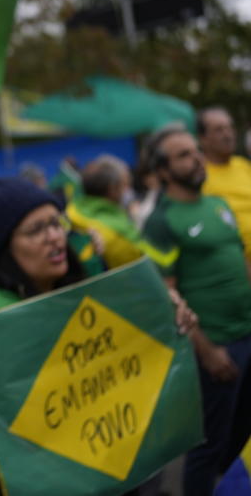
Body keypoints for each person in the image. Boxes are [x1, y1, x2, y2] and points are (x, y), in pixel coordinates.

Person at [0, 178, 195, 495]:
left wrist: (167, 319)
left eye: (56, 223)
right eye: (36, 230)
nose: (55, 238)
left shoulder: (85, 290)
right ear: (6, 245)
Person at [141, 125, 251, 496]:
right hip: (216, 347)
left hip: (247, 334)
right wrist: (207, 351)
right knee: (209, 446)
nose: (197, 159)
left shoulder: (218, 205)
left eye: (195, 151)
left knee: (241, 438)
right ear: (163, 171)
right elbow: (165, 296)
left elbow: (239, 261)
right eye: (184, 155)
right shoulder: (160, 222)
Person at [67, 155, 146, 269]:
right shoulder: (118, 234)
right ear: (112, 189)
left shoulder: (74, 211)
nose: (128, 191)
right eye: (125, 185)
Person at [198, 106, 251, 258]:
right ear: (203, 139)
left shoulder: (244, 166)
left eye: (230, 127)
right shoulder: (199, 176)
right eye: (218, 130)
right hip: (238, 265)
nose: (227, 134)